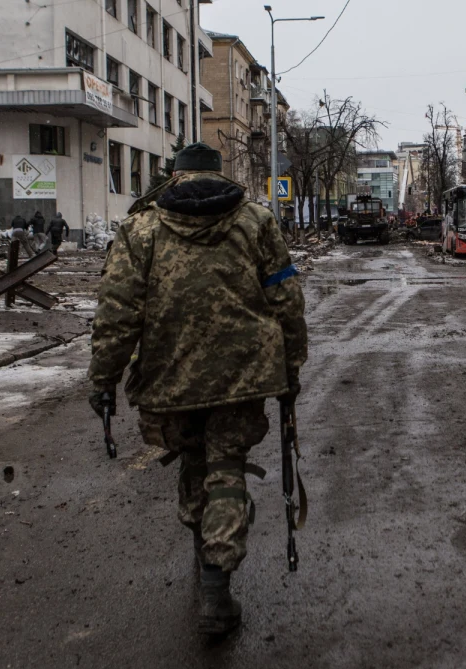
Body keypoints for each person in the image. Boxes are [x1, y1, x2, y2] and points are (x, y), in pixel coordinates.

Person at [89, 142, 307, 637]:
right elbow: (286, 297)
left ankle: (204, 550)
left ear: (175, 176)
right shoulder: (256, 222)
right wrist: (291, 364)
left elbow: (117, 312)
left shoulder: (139, 230)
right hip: (243, 374)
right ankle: (216, 585)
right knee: (226, 466)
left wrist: (103, 378)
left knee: (192, 460)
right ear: (218, 175)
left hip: (170, 376)